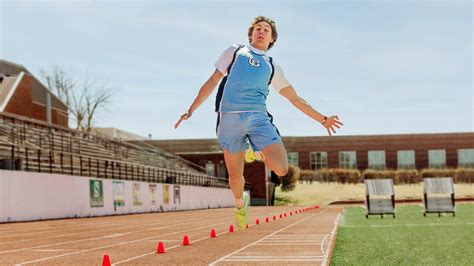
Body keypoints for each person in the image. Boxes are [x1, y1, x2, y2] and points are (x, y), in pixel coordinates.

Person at [175, 16, 343, 230]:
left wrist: (323, 119)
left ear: (272, 38)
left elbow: (295, 98)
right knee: (236, 176)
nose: (261, 32)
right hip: (229, 118)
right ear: (251, 34)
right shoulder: (235, 52)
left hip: (257, 118)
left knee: (281, 169)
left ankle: (256, 150)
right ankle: (239, 206)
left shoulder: (272, 66)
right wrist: (191, 109)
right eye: (257, 29)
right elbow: (212, 81)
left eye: (266, 30)